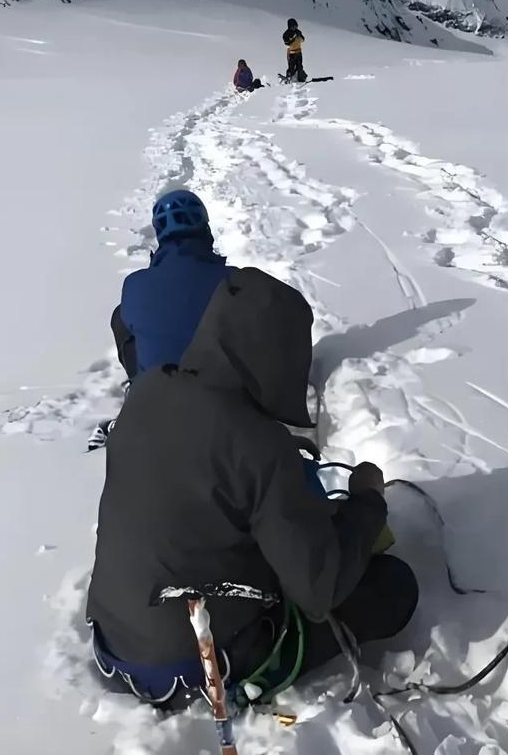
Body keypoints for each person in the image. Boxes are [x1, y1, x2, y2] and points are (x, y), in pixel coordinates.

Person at [87, 267, 418, 707]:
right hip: (200, 662)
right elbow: (320, 588)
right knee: (393, 587)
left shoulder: (145, 395)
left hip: (115, 635)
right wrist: (368, 502)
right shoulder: (259, 445)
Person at [111, 190, 231, 381]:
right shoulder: (236, 281)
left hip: (155, 397)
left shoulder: (135, 284)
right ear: (205, 230)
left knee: (122, 316)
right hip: (229, 397)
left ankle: (138, 384)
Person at [282, 17, 307, 83]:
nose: (295, 28)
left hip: (299, 52)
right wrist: (294, 36)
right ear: (290, 26)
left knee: (300, 66)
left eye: (296, 26)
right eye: (294, 26)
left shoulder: (298, 32)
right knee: (291, 68)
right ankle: (289, 78)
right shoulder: (286, 34)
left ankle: (301, 79)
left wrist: (300, 35)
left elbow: (303, 40)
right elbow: (287, 43)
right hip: (291, 53)